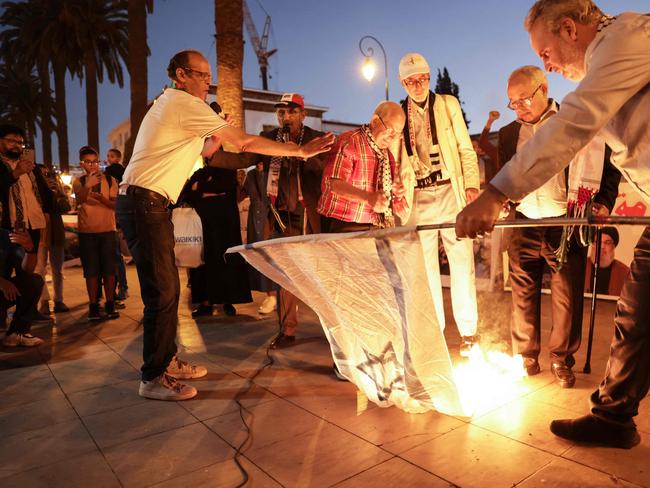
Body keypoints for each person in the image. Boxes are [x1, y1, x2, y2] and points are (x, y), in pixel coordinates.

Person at [456, 1, 649, 448]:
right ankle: (614, 417)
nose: (548, 64)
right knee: (637, 313)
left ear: (569, 28)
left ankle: (613, 414)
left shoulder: (623, 40)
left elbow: (574, 125)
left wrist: (496, 191)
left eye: (546, 54)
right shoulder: (611, 53)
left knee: (637, 311)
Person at [117, 49, 333, 401]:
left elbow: (208, 153)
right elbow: (244, 142)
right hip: (144, 204)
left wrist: (214, 140)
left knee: (168, 290)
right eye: (202, 75)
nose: (208, 83)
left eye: (208, 77)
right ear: (181, 75)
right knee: (163, 293)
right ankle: (154, 375)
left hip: (149, 204)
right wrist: (300, 151)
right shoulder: (181, 102)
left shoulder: (178, 110)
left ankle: (166, 361)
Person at [499, 65, 619, 388]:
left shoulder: (573, 122)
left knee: (566, 294)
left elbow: (610, 163)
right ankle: (527, 354)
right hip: (524, 222)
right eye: (513, 102)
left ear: (544, 89)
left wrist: (605, 200)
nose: (519, 107)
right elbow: (504, 176)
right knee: (523, 292)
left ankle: (561, 359)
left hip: (565, 222)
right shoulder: (509, 134)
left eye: (524, 99)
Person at [210, 92, 329, 349]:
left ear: (303, 114)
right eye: (281, 112)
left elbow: (328, 172)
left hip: (310, 217)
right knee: (286, 276)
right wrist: (213, 151)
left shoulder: (315, 140)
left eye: (291, 111)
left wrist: (302, 155)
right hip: (282, 217)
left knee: (322, 276)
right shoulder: (268, 141)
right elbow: (241, 159)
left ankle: (334, 331)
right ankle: (287, 331)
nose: (285, 116)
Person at [395, 52, 480, 356]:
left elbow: (465, 150)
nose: (417, 85)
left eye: (422, 79)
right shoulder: (397, 112)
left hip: (449, 190)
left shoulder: (447, 104)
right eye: (410, 81)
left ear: (429, 78)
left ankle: (469, 334)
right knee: (426, 270)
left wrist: (471, 187)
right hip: (417, 196)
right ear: (402, 83)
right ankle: (436, 334)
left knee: (462, 263)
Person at [318, 101, 407, 232]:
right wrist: (369, 198)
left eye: (398, 133)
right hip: (344, 225)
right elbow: (334, 184)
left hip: (377, 226)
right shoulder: (349, 141)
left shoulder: (388, 156)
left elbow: (384, 193)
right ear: (375, 121)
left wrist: (395, 195)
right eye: (390, 130)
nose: (392, 137)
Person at [181, 163, 252, 317]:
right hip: (204, 226)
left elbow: (225, 188)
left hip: (224, 227)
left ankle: (227, 300)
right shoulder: (201, 172)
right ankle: (205, 303)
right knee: (203, 264)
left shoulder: (227, 170)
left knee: (225, 261)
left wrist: (200, 189)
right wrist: (211, 193)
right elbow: (186, 193)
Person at [0, 124, 52, 324]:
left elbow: (45, 197)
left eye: (20, 142)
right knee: (4, 272)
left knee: (29, 275)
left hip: (32, 225)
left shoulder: (32, 167)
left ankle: (24, 318)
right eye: (12, 140)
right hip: (6, 228)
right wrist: (15, 173)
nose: (17, 145)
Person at [72, 146, 120, 321]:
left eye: (95, 161)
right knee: (91, 271)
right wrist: (88, 186)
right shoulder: (79, 181)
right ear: (82, 163)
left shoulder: (110, 180)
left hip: (107, 230)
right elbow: (79, 200)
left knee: (109, 270)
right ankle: (93, 305)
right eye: (88, 162)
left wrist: (103, 200)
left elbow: (116, 206)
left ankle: (110, 303)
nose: (92, 165)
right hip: (87, 232)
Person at [240, 162, 277, 314]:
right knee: (261, 256)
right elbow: (249, 194)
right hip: (256, 217)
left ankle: (275, 295)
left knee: (273, 256)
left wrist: (262, 174)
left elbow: (267, 196)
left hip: (270, 217)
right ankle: (270, 295)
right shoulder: (251, 174)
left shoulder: (273, 171)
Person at [1, 225, 44, 347]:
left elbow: (27, 270)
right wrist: (2, 282)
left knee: (33, 281)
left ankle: (17, 332)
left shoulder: (5, 235)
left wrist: (30, 249)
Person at [36, 165, 71, 315]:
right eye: (43, 174)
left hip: (56, 232)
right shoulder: (34, 190)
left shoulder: (57, 191)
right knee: (40, 269)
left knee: (57, 269)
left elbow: (65, 207)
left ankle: (59, 300)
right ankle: (44, 301)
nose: (47, 177)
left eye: (48, 174)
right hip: (40, 233)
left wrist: (58, 193)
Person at [103, 148, 128, 302]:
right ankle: (121, 288)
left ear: (117, 158)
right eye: (108, 156)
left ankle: (119, 288)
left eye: (111, 156)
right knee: (117, 256)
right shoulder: (125, 173)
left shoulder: (109, 173)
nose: (109, 158)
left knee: (115, 256)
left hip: (112, 217)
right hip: (119, 215)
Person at [584, 227, 630, 296]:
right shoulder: (581, 266)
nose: (602, 246)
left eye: (607, 243)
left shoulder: (625, 272)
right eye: (598, 242)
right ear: (592, 244)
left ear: (614, 246)